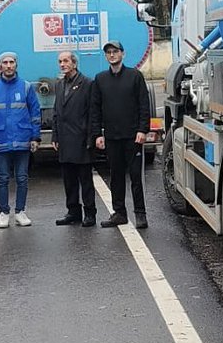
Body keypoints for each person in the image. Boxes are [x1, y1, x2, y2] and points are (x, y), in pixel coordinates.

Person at [89, 39, 151, 229]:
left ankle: (140, 214)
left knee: (135, 177)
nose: (112, 55)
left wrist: (142, 130)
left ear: (122, 54)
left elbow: (143, 105)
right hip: (112, 137)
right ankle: (119, 213)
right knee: (115, 176)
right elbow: (95, 109)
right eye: (108, 52)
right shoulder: (100, 79)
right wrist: (97, 134)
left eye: (115, 51)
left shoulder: (135, 76)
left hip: (133, 136)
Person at [0, 52, 41, 228]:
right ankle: (3, 212)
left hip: (22, 140)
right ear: (0, 66)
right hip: (0, 140)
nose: (8, 65)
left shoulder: (26, 87)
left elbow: (35, 113)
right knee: (2, 179)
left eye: (11, 62)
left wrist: (35, 137)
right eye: (5, 62)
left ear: (16, 64)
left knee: (22, 178)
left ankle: (20, 211)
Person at [52, 50, 98, 227]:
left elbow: (92, 113)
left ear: (74, 63)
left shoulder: (87, 83)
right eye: (60, 61)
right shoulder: (59, 84)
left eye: (65, 61)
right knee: (68, 180)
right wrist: (55, 135)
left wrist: (91, 137)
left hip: (81, 139)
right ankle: (73, 211)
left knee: (85, 180)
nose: (62, 64)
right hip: (64, 139)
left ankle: (90, 213)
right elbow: (57, 112)